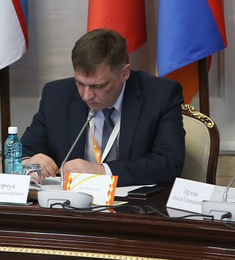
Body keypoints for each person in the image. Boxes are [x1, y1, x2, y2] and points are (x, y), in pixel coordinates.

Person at [21, 28, 185, 186]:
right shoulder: (57, 95)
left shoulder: (160, 95)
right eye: (80, 83)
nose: (86, 95)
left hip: (133, 202)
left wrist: (103, 171)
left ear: (124, 73)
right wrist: (28, 162)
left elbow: (169, 163)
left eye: (98, 86)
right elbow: (24, 149)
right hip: (69, 201)